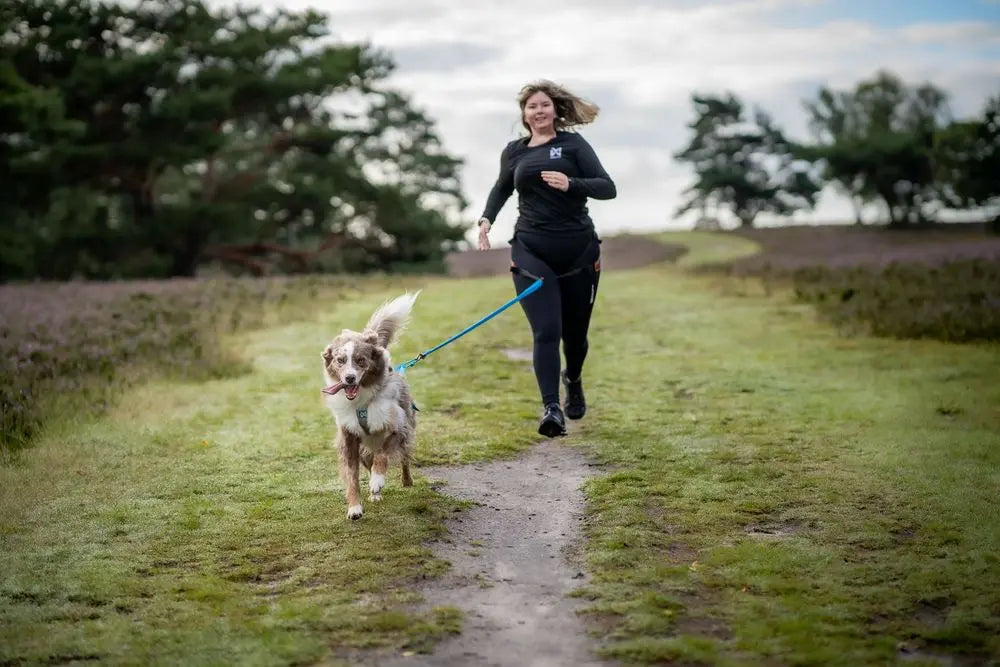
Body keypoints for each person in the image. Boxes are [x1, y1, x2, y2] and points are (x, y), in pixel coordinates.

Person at [477, 80, 617, 437]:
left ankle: (574, 378)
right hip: (531, 249)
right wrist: (486, 219)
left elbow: (607, 187)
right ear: (524, 115)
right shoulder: (514, 152)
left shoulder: (573, 145)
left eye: (544, 105)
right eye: (531, 106)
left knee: (575, 336)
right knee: (546, 331)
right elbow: (502, 188)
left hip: (579, 252)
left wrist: (572, 184)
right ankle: (551, 408)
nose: (538, 111)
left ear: (555, 110)